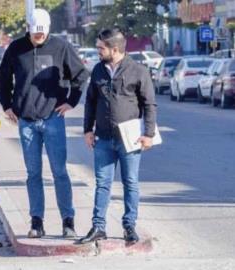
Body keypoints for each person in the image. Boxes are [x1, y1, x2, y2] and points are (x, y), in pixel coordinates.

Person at [0, 8, 89, 238]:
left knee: (59, 172)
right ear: (28, 27)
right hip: (26, 121)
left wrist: (71, 102)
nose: (39, 37)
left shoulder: (60, 47)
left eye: (43, 33)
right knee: (33, 174)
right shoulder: (16, 48)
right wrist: (7, 104)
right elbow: (3, 76)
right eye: (35, 32)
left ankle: (68, 221)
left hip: (53, 119)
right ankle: (36, 222)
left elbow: (80, 76)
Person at [79, 28, 156, 245]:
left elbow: (149, 104)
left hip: (130, 139)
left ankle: (129, 225)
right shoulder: (97, 71)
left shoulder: (138, 71)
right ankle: (98, 226)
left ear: (114, 49)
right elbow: (91, 102)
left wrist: (148, 134)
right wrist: (87, 130)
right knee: (102, 183)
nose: (98, 51)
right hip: (103, 138)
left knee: (130, 182)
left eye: (100, 48)